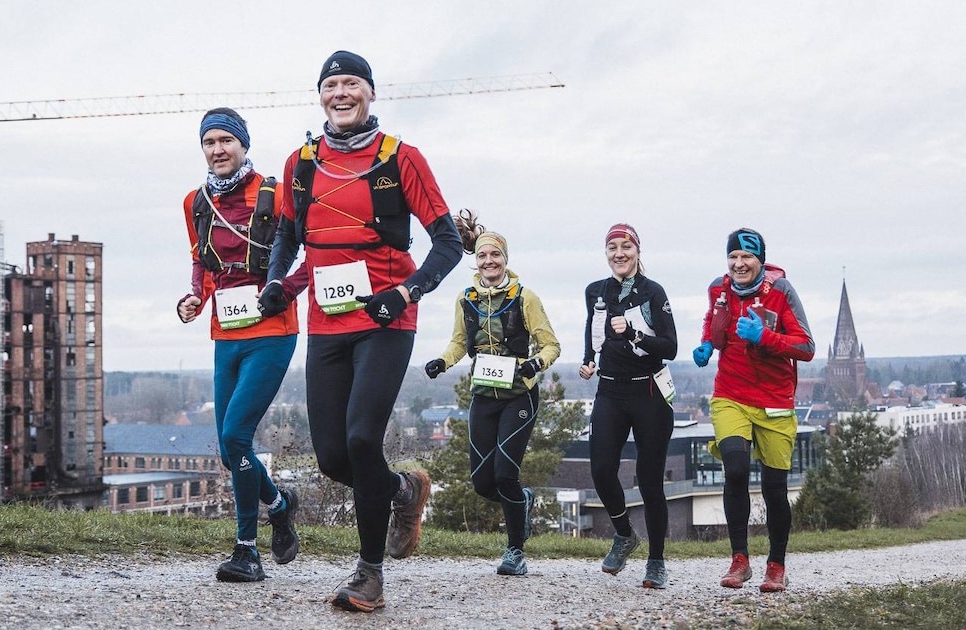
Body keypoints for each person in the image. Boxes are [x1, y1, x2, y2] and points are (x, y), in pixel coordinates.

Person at [264, 51, 463, 612]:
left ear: (371, 93)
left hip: (386, 318)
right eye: (331, 84)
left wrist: (405, 292)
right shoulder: (300, 163)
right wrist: (280, 280)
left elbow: (447, 244)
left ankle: (369, 574)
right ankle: (403, 489)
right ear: (320, 96)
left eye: (352, 82)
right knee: (331, 459)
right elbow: (288, 236)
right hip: (327, 321)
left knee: (360, 440)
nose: (341, 92)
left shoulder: (401, 158)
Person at [176, 108, 307, 582]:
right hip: (225, 333)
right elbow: (202, 263)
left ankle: (246, 551)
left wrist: (283, 291)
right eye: (209, 142)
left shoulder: (273, 193)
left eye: (226, 141)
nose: (217, 150)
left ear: (243, 145)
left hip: (272, 333)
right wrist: (194, 297)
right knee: (232, 452)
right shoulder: (196, 202)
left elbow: (302, 255)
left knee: (236, 436)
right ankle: (279, 503)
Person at [424, 211, 561, 576]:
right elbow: (458, 342)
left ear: (505, 259)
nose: (489, 261)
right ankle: (523, 502)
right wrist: (442, 361)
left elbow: (551, 345)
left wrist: (535, 364)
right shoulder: (465, 298)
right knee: (482, 482)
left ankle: (516, 552)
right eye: (483, 256)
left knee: (504, 475)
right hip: (483, 394)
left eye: (495, 255)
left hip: (520, 395)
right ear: (476, 260)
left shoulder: (524, 297)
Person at [692, 228, 814, 592]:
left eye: (747, 257)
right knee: (735, 468)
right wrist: (705, 346)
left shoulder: (781, 292)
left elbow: (806, 346)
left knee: (775, 489)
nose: (738, 263)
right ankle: (739, 559)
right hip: (730, 393)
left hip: (775, 400)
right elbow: (713, 323)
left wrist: (765, 337)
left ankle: (775, 565)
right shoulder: (719, 289)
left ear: (760, 260)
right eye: (733, 257)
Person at [578, 223, 678, 589]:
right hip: (609, 391)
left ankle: (656, 562)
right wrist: (588, 359)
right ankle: (624, 534)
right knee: (602, 470)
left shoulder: (653, 292)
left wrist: (635, 334)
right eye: (612, 248)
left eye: (626, 247)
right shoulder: (596, 291)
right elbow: (594, 329)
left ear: (638, 251)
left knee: (650, 481)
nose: (619, 254)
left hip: (648, 393)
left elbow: (670, 347)